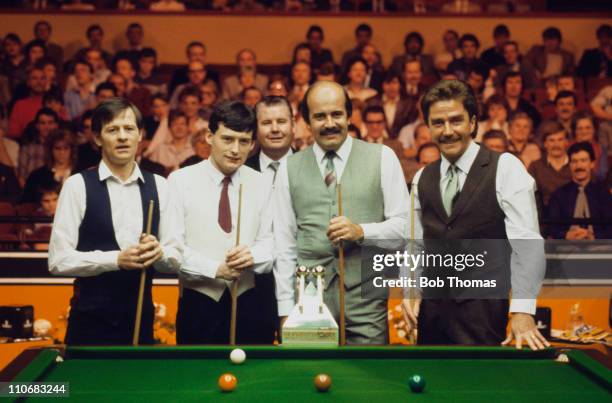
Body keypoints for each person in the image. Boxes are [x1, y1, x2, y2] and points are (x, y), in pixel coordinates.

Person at [405, 79, 548, 349]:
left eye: (456, 120)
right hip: (431, 317)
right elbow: (415, 244)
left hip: (483, 316)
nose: (447, 131)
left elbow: (527, 245)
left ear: (472, 123)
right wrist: (410, 290)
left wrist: (523, 309)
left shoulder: (505, 168)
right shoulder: (423, 177)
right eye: (438, 123)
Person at [274, 81, 409, 344]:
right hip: (308, 303)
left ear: (349, 115)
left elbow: (405, 228)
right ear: (306, 121)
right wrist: (284, 309)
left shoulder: (383, 157)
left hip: (367, 300)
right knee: (309, 379)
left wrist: (362, 231)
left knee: (369, 381)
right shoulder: (288, 168)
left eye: (336, 114)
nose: (329, 123)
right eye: (319, 116)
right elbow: (284, 245)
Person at [48, 98, 180, 345]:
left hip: (140, 321)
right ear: (97, 138)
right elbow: (58, 260)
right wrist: (116, 259)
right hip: (88, 324)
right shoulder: (77, 186)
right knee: (83, 385)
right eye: (112, 130)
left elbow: (174, 258)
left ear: (140, 135)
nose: (122, 137)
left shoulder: (161, 186)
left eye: (129, 129)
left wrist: (158, 252)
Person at [168, 100, 274, 344]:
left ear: (253, 144)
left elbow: (270, 242)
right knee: (196, 380)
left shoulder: (263, 183)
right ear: (209, 136)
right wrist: (215, 269)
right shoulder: (180, 181)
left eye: (244, 141)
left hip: (251, 305)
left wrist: (253, 256)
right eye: (227, 139)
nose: (235, 150)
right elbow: (171, 249)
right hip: (198, 305)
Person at [243, 95, 296, 343]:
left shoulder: (312, 169)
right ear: (256, 128)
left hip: (303, 281)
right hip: (252, 286)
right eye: (266, 122)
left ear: (293, 124)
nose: (275, 129)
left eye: (281, 121)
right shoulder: (240, 171)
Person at [547, 142, 611, 240]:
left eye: (583, 160)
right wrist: (566, 235)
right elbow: (551, 227)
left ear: (592, 164)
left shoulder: (604, 195)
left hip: (599, 249)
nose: (579, 166)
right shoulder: (558, 195)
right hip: (566, 249)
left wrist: (594, 237)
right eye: (574, 161)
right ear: (570, 165)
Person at [22, 128, 76, 203]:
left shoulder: (80, 174)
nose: (62, 153)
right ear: (50, 150)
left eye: (66, 148)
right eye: (58, 148)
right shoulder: (37, 176)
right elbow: (27, 203)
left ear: (72, 150)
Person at [528, 121, 572, 210]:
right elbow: (529, 196)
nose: (556, 145)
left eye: (560, 140)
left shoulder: (576, 164)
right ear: (545, 144)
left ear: (566, 142)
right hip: (545, 217)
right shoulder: (535, 167)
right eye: (551, 140)